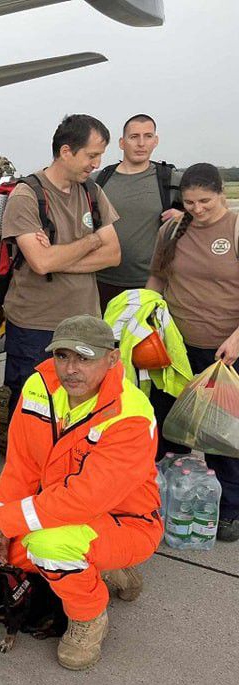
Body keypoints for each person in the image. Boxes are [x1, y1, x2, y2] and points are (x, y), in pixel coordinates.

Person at [0, 315, 161, 670]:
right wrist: (0, 526)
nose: (70, 369)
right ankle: (103, 568)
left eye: (84, 358)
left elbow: (86, 497)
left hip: (125, 523)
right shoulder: (39, 386)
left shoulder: (131, 414)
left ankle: (89, 616)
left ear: (112, 359)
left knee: (50, 547)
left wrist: (6, 520)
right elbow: (20, 467)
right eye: (62, 356)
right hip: (57, 511)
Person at [1, 114, 121, 411]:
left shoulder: (92, 192)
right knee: (34, 408)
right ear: (66, 152)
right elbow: (40, 263)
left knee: (80, 408)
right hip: (36, 327)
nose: (96, 164)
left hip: (85, 324)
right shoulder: (27, 195)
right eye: (92, 155)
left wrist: (57, 257)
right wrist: (92, 241)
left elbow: (113, 255)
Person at [146, 163, 239, 542]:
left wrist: (237, 338)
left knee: (221, 435)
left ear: (222, 194)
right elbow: (157, 276)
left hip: (224, 350)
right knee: (170, 428)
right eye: (189, 202)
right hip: (174, 348)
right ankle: (169, 496)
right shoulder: (171, 229)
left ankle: (230, 507)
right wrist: (146, 312)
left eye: (205, 201)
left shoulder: (234, 228)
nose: (197, 209)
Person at [95, 114, 182, 311]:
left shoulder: (170, 179)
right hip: (100, 281)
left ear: (155, 141)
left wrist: (186, 217)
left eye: (148, 136)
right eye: (134, 137)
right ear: (121, 142)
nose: (141, 143)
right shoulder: (100, 179)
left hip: (149, 283)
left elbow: (211, 208)